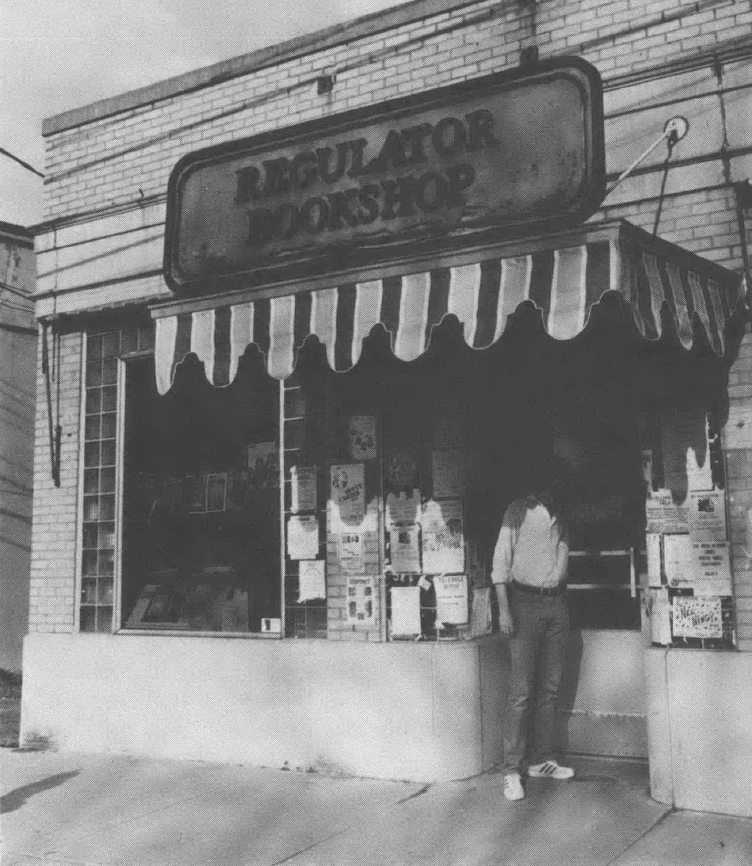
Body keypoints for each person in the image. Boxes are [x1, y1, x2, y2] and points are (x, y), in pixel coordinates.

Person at [491, 485, 574, 801]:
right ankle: (511, 770)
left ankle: (541, 760)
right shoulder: (518, 511)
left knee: (550, 689)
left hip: (557, 603)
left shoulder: (562, 515)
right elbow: (501, 558)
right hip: (524, 603)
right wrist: (504, 609)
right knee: (521, 691)